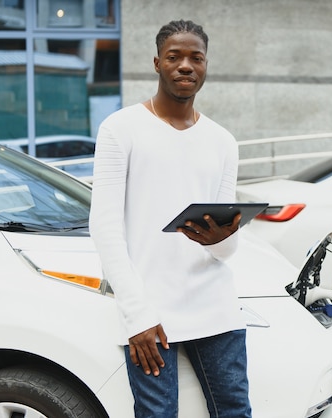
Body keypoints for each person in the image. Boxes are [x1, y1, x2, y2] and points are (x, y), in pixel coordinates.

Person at [89, 19, 251, 418]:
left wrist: (221, 238)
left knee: (235, 410)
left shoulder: (223, 142)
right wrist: (136, 313)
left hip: (216, 305)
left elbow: (226, 251)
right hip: (151, 308)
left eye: (196, 58)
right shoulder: (120, 129)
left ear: (206, 66)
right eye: (175, 57)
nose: (186, 66)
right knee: (158, 413)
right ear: (157, 62)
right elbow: (104, 226)